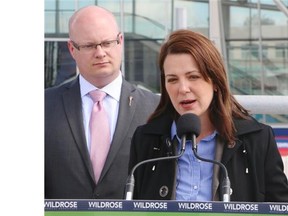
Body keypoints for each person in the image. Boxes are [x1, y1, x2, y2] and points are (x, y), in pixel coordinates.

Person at [128, 29, 288, 202]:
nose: (182, 89)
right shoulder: (146, 139)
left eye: (193, 77)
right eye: (172, 79)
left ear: (215, 82)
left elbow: (280, 206)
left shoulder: (257, 139)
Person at [45, 5, 159, 199]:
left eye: (107, 43)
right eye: (89, 46)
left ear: (120, 41)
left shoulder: (155, 108)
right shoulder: (44, 105)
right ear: (72, 49)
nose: (100, 53)